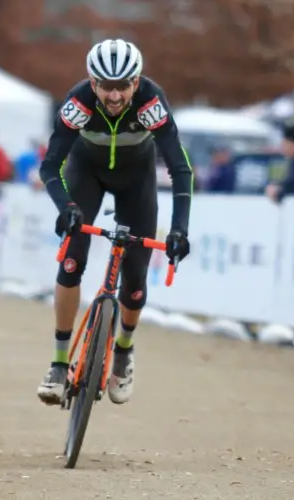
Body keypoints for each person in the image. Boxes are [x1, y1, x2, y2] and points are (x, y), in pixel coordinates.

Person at [36, 38, 193, 407]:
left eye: (123, 86)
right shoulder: (78, 104)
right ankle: (59, 363)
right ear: (93, 83)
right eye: (106, 86)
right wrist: (66, 206)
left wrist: (179, 228)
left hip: (136, 180)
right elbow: (49, 166)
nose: (115, 95)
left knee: (135, 277)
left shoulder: (152, 103)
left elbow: (180, 168)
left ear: (136, 82)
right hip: (85, 174)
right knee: (71, 262)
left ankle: (123, 349)